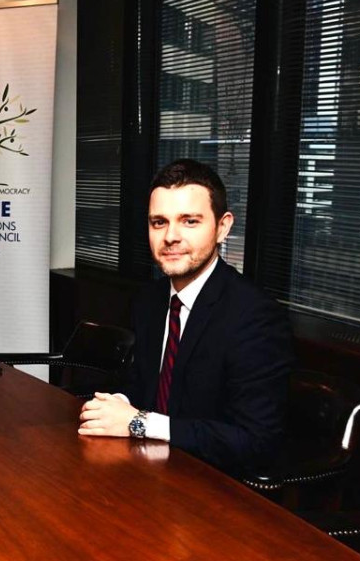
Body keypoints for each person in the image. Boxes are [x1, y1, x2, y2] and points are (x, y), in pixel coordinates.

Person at [78, 159, 293, 473]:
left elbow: (255, 442)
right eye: (159, 222)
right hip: (147, 467)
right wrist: (116, 404)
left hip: (213, 484)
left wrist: (140, 422)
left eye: (189, 221)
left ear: (222, 227)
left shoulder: (256, 317)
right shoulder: (150, 300)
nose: (170, 236)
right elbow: (142, 386)